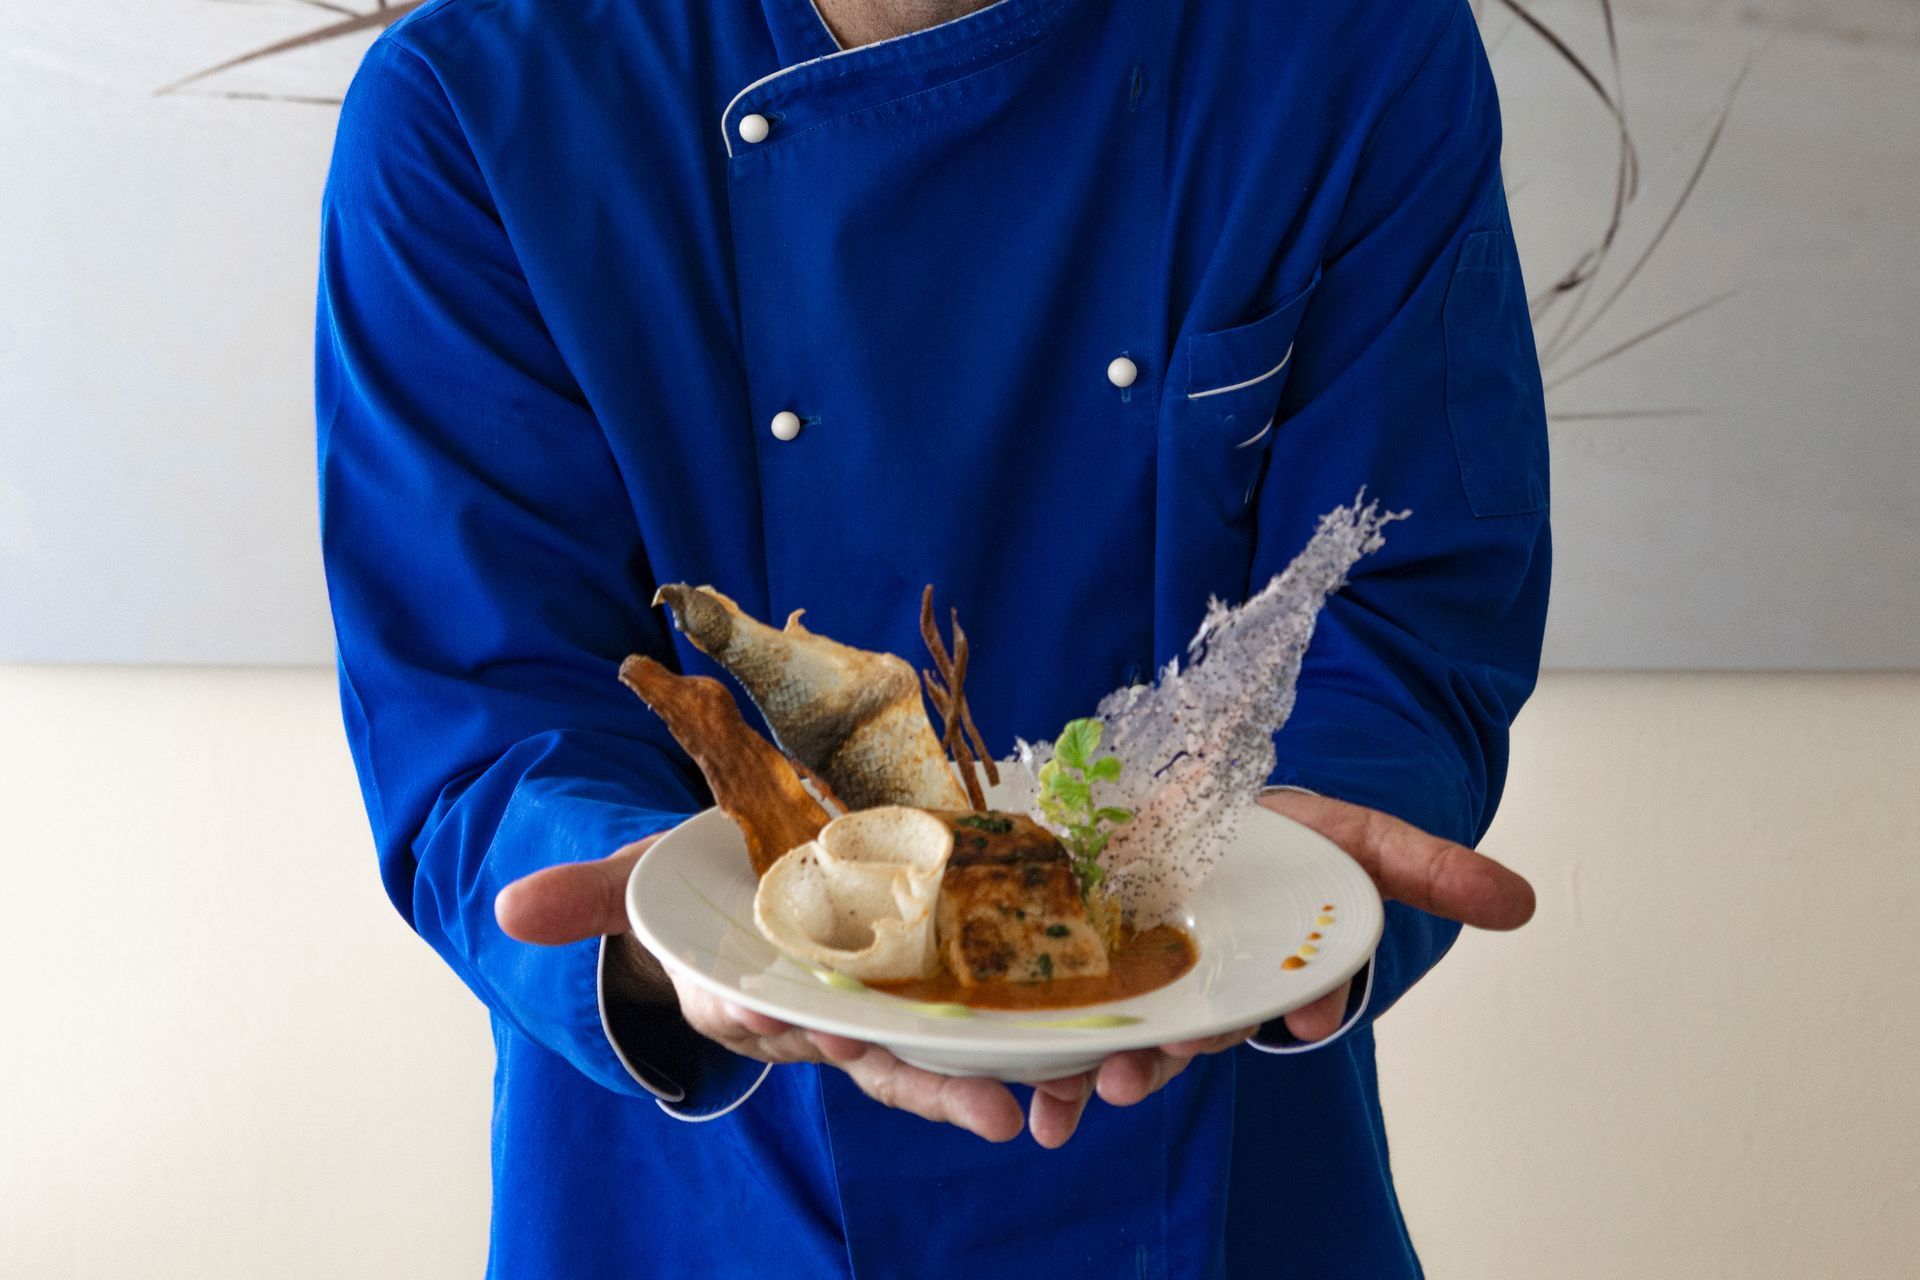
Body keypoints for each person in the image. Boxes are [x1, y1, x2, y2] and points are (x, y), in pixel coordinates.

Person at [315, 0, 1550, 1273]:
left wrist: (1306, 845)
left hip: (1216, 1149)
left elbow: (1405, 611)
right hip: (702, 1189)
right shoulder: (474, 101)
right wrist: (662, 921)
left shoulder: (1348, 47)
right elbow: (484, 704)